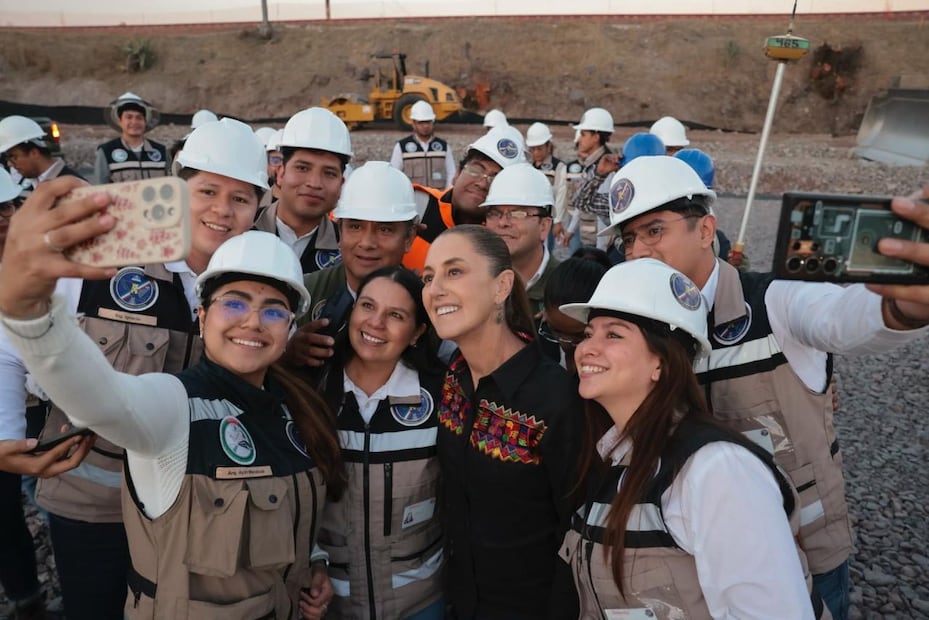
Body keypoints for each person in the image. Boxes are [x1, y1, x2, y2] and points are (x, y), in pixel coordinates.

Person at [600, 156, 929, 620]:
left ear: (705, 229)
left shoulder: (775, 302)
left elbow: (841, 317)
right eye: (628, 239)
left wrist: (906, 306)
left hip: (804, 561)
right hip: (681, 566)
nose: (637, 251)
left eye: (654, 231)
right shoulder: (632, 328)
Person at [0, 220, 343, 618]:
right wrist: (32, 315)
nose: (252, 321)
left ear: (289, 328)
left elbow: (287, 505)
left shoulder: (293, 408)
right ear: (202, 315)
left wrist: (312, 561)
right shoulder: (173, 405)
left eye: (274, 311)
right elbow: (102, 399)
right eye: (234, 302)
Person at [25, 118, 269, 620]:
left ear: (258, 207)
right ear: (177, 188)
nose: (222, 210)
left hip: (190, 511)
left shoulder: (254, 284)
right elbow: (13, 337)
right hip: (92, 499)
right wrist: (7, 430)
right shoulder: (107, 256)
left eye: (241, 198)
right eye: (208, 190)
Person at [558, 258, 822, 618]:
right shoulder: (616, 453)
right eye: (588, 334)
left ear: (661, 363)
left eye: (614, 334)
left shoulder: (716, 470)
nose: (586, 348)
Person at [421, 224, 582, 619]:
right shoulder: (451, 381)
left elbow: (578, 531)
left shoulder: (556, 398)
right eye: (428, 277)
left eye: (454, 272)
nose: (435, 288)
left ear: (501, 286)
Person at [314, 265, 445, 619]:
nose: (376, 323)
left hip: (422, 601)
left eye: (396, 315)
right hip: (331, 604)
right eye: (367, 306)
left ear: (417, 332)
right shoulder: (311, 394)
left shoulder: (441, 395)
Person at [289, 162, 419, 369]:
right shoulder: (302, 293)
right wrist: (286, 353)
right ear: (339, 231)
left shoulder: (424, 303)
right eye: (355, 226)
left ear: (409, 238)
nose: (367, 243)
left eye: (385, 230)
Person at [402, 124, 526, 272]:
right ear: (457, 173)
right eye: (476, 170)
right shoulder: (416, 205)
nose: (482, 183)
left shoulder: (502, 240)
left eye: (496, 179)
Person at [253, 108, 351, 276]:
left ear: (341, 184)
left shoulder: (348, 251)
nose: (314, 183)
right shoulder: (244, 230)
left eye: (329, 173)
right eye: (302, 168)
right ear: (281, 173)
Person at [481, 162, 557, 316]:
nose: (503, 223)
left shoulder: (565, 289)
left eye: (517, 214)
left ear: (544, 226)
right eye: (495, 213)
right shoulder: (475, 282)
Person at [539, 256, 608, 373]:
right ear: (545, 313)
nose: (565, 345)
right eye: (556, 332)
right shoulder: (535, 344)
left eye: (581, 336)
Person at [95, 92, 169, 184]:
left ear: (145, 122)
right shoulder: (106, 152)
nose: (134, 122)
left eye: (139, 118)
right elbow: (100, 189)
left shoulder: (161, 152)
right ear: (119, 121)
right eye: (129, 117)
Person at [569, 107, 616, 250]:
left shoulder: (607, 166)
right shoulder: (591, 164)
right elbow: (581, 202)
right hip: (589, 239)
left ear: (596, 137)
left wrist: (602, 251)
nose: (579, 139)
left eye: (583, 134)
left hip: (599, 245)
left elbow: (605, 213)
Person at [0, 116, 84, 192]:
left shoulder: (73, 186)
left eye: (14, 157)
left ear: (34, 153)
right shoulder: (30, 183)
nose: (9, 164)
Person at [389, 100, 456, 190]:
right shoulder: (402, 147)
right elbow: (394, 175)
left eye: (428, 122)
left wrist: (446, 195)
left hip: (437, 199)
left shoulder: (443, 147)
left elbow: (451, 173)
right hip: (413, 200)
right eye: (421, 122)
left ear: (433, 122)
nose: (425, 126)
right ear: (413, 124)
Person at [524, 122, 569, 254]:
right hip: (530, 216)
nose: (536, 152)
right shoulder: (528, 167)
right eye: (533, 149)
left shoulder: (558, 167)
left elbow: (561, 195)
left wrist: (558, 221)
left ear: (548, 146)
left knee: (545, 251)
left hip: (548, 217)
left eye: (539, 148)